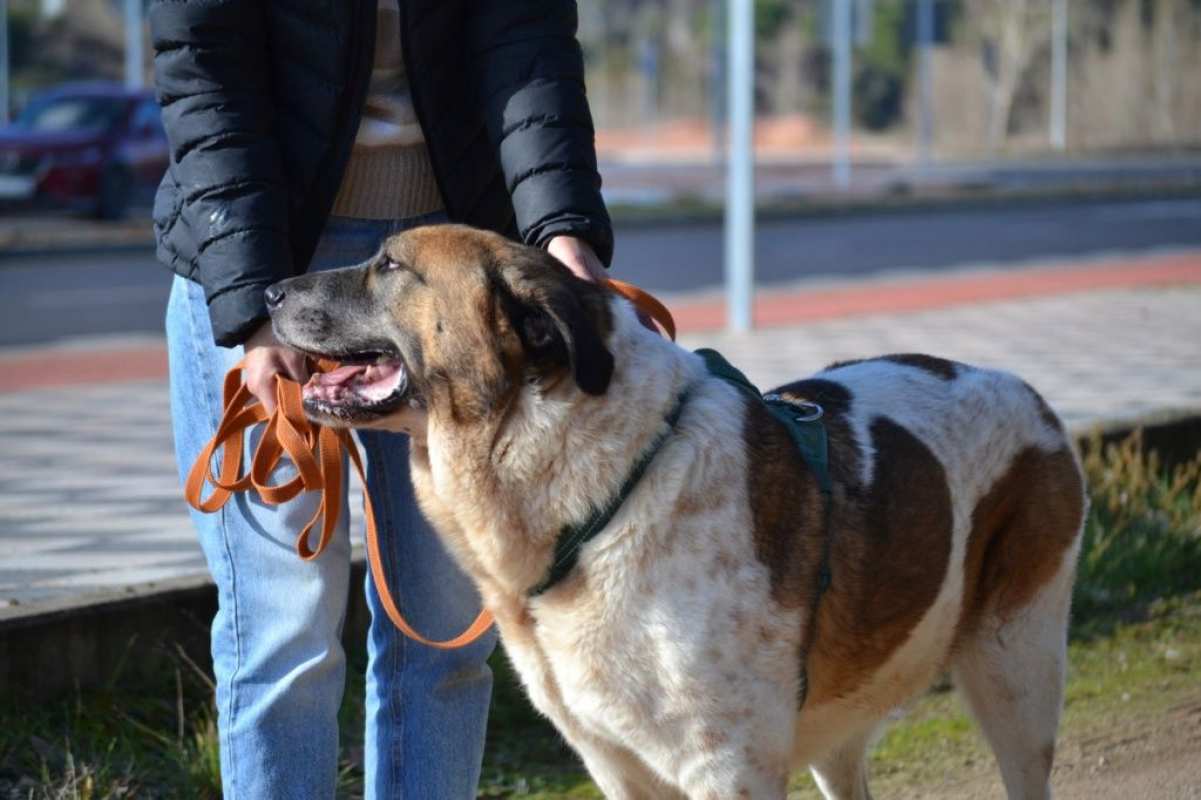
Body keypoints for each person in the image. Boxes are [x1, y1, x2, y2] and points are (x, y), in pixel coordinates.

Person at [149, 1, 613, 796]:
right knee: (280, 633)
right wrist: (254, 308)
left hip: (453, 263)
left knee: (446, 634)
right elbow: (204, 70)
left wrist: (559, 225)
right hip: (266, 253)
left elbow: (526, 37)